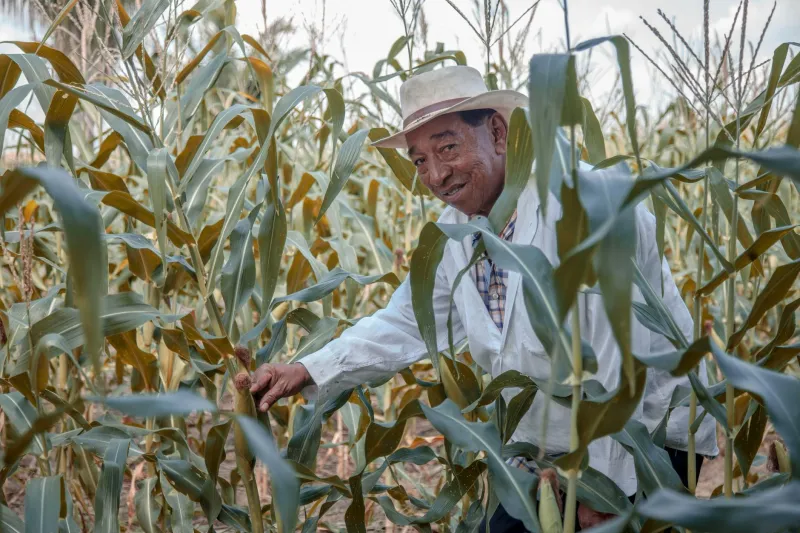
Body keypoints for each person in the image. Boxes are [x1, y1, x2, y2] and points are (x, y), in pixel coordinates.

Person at [249, 65, 718, 530]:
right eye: (419, 161)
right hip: (537, 452)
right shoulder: (455, 235)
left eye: (447, 147)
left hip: (645, 443)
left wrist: (602, 488)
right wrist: (309, 368)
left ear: (498, 132)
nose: (434, 175)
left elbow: (619, 363)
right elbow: (409, 323)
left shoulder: (589, 205)